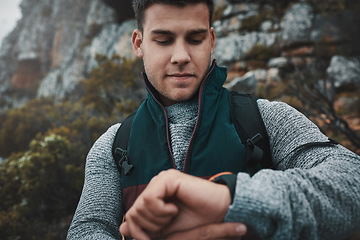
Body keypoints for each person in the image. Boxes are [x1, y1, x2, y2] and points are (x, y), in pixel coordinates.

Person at [66, 0, 360, 239]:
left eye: (195, 39)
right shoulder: (111, 146)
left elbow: (351, 180)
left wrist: (231, 198)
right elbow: (88, 230)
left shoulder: (267, 118)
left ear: (212, 39)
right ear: (139, 43)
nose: (180, 55)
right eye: (164, 40)